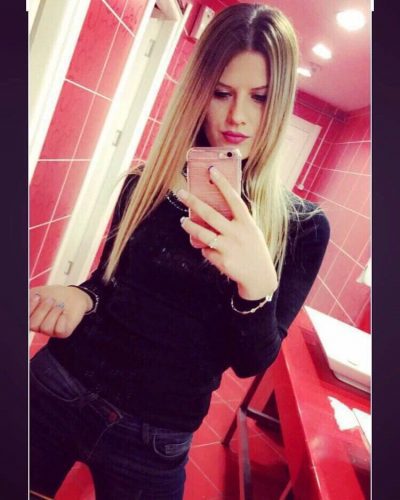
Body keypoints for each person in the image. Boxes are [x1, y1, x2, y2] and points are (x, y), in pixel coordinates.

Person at [29, 3, 330, 499]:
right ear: (198, 91)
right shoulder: (146, 183)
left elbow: (250, 361)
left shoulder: (301, 229)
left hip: (157, 437)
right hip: (59, 386)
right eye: (221, 92)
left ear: (280, 104)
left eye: (259, 97)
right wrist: (80, 296)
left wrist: (257, 284)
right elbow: (105, 285)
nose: (237, 116)